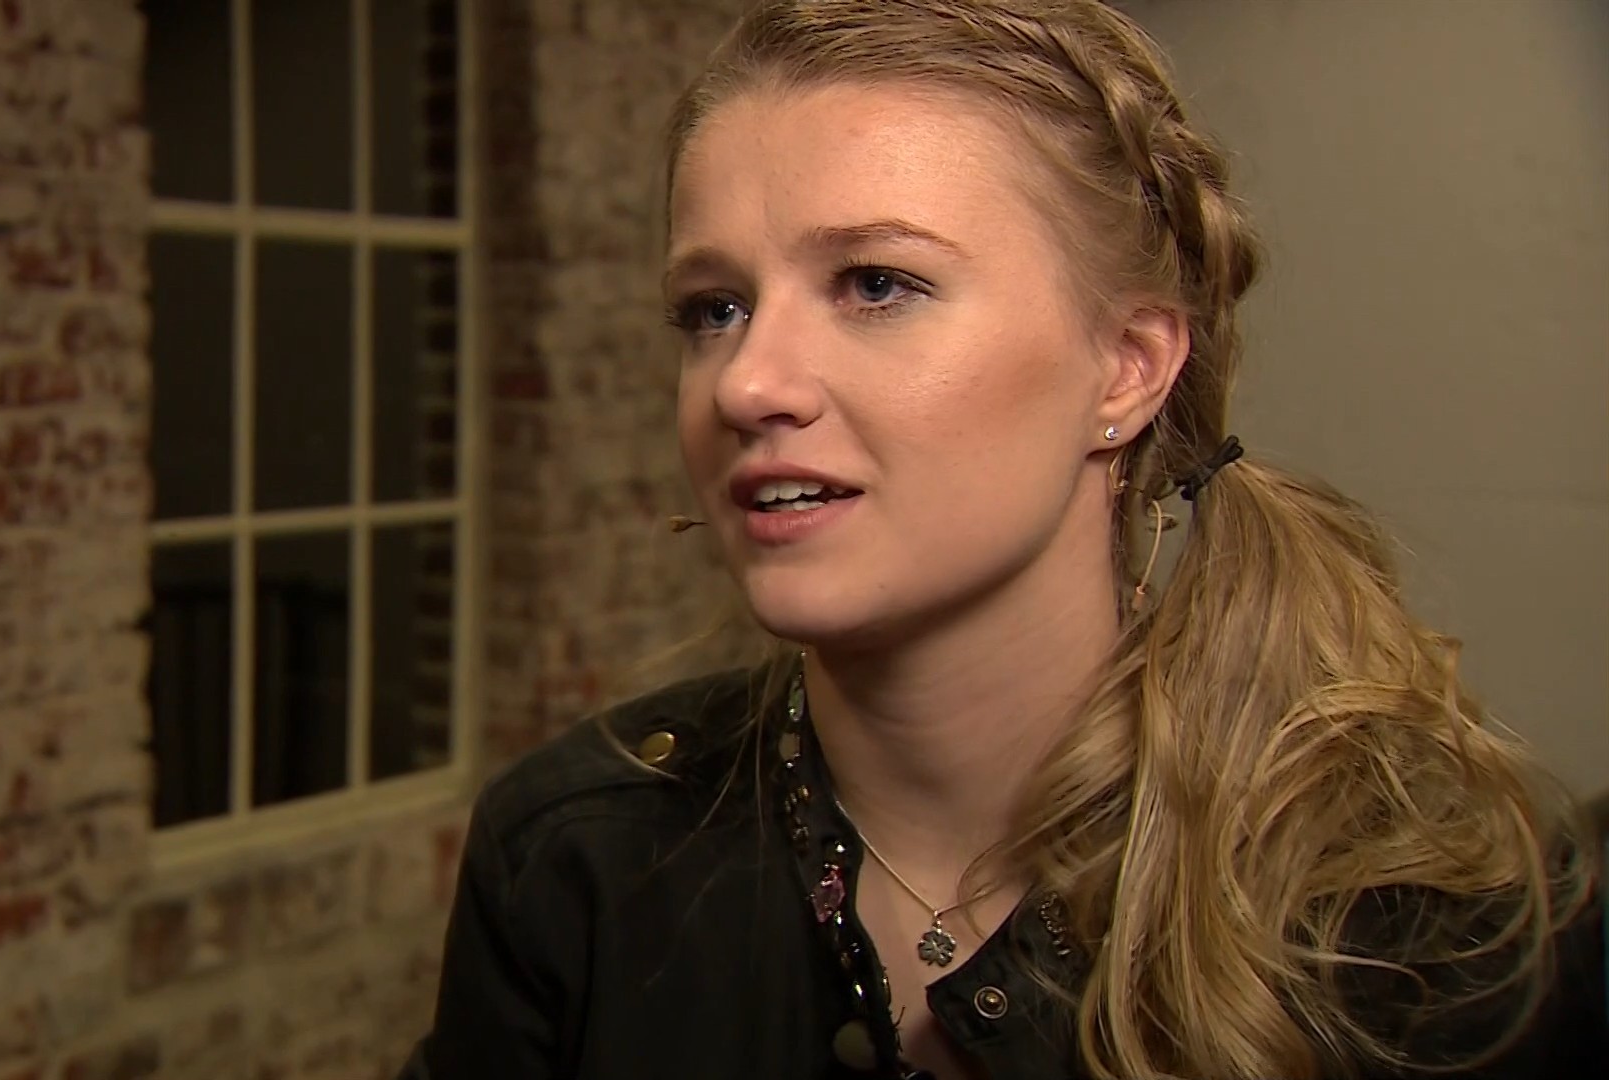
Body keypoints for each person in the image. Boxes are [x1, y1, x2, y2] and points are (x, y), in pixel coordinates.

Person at [398, 1, 1606, 1077]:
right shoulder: (576, 860)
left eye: (877, 284)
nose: (748, 383)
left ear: (1125, 367)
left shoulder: (1418, 917)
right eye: (714, 308)